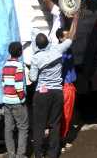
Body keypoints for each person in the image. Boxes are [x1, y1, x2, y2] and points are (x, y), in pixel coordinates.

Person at [29, 13, 79, 158]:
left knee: (39, 126)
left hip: (42, 94)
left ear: (37, 45)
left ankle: (38, 154)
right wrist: (75, 18)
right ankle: (53, 154)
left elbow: (32, 78)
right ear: (48, 42)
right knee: (55, 124)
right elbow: (70, 38)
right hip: (57, 93)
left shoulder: (36, 58)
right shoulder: (57, 50)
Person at [43, 0, 77, 149]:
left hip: (61, 86)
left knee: (61, 115)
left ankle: (57, 139)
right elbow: (46, 0)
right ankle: (58, 141)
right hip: (64, 87)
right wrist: (76, 15)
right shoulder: (61, 47)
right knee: (63, 115)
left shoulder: (62, 21)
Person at [2, 42, 28, 158]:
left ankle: (11, 154)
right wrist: (22, 99)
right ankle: (20, 155)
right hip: (17, 102)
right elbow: (18, 86)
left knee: (8, 129)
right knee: (23, 128)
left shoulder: (5, 65)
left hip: (6, 101)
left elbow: (3, 82)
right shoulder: (18, 66)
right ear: (20, 52)